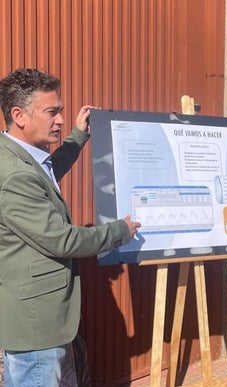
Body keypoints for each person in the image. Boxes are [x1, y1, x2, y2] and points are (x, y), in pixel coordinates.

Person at [0, 68, 141, 386]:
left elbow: (49, 173)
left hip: (41, 318)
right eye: (52, 112)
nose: (60, 121)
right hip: (36, 326)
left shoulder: (22, 158)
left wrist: (78, 137)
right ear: (19, 115)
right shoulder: (13, 174)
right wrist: (120, 231)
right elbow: (62, 240)